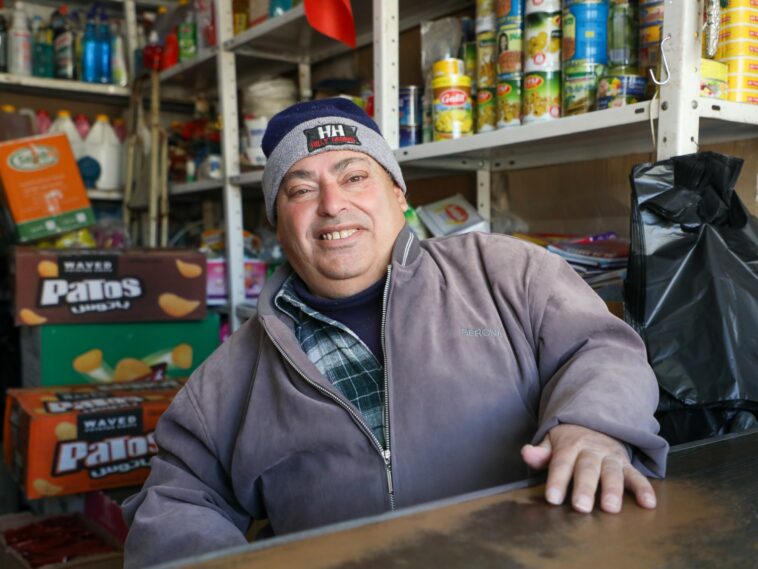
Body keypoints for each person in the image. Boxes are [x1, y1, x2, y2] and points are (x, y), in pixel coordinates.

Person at [122, 98, 668, 568]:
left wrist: (592, 427)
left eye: (355, 176)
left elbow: (599, 349)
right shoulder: (231, 375)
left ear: (399, 194)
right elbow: (176, 500)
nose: (333, 204)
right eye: (300, 189)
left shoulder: (506, 273)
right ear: (278, 222)